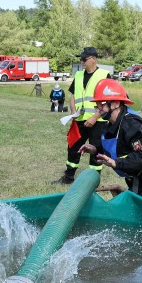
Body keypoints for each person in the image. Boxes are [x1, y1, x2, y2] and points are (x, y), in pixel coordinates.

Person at [79, 79, 142, 206]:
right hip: (138, 181)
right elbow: (118, 145)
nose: (98, 108)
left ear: (116, 103)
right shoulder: (114, 124)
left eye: (101, 103)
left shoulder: (131, 124)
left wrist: (116, 163)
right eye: (97, 104)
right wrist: (95, 149)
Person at [51, 47, 110, 184]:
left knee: (96, 150)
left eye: (84, 59)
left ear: (93, 59)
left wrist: (95, 117)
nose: (81, 62)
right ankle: (68, 177)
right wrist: (73, 111)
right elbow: (73, 95)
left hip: (98, 120)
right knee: (73, 147)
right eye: (81, 59)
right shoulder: (78, 75)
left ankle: (92, 181)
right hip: (79, 119)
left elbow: (108, 101)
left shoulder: (104, 75)